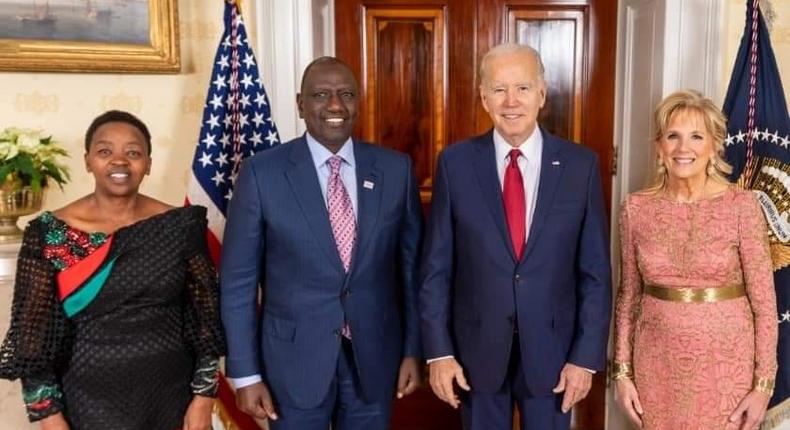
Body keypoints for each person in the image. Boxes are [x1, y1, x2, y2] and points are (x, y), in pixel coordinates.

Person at [220, 56, 422, 430]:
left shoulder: (396, 170)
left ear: (357, 103)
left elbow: (410, 272)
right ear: (300, 104)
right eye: (320, 95)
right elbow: (238, 284)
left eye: (346, 94)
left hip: (375, 359)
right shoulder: (261, 174)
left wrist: (413, 350)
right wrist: (245, 375)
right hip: (291, 363)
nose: (334, 106)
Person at [419, 43, 611, 429]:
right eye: (498, 89)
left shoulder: (580, 166)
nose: (511, 101)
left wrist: (585, 357)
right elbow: (435, 269)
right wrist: (438, 353)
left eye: (522, 88)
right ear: (483, 97)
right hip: (475, 353)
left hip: (556, 355)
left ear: (542, 93)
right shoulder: (455, 164)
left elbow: (595, 273)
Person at [0, 110, 225, 430]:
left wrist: (203, 399)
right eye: (105, 151)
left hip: (170, 397)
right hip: (84, 401)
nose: (119, 161)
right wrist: (48, 416)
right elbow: (31, 336)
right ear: (88, 160)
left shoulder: (181, 226)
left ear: (148, 163)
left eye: (132, 153)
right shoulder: (50, 232)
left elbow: (206, 321)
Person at [613, 89, 777, 429]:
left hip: (726, 370)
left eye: (696, 136)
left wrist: (763, 384)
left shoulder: (742, 207)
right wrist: (622, 372)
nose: (683, 148)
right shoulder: (636, 209)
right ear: (659, 146)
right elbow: (628, 297)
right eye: (673, 136)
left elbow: (764, 302)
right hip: (656, 369)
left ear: (714, 145)